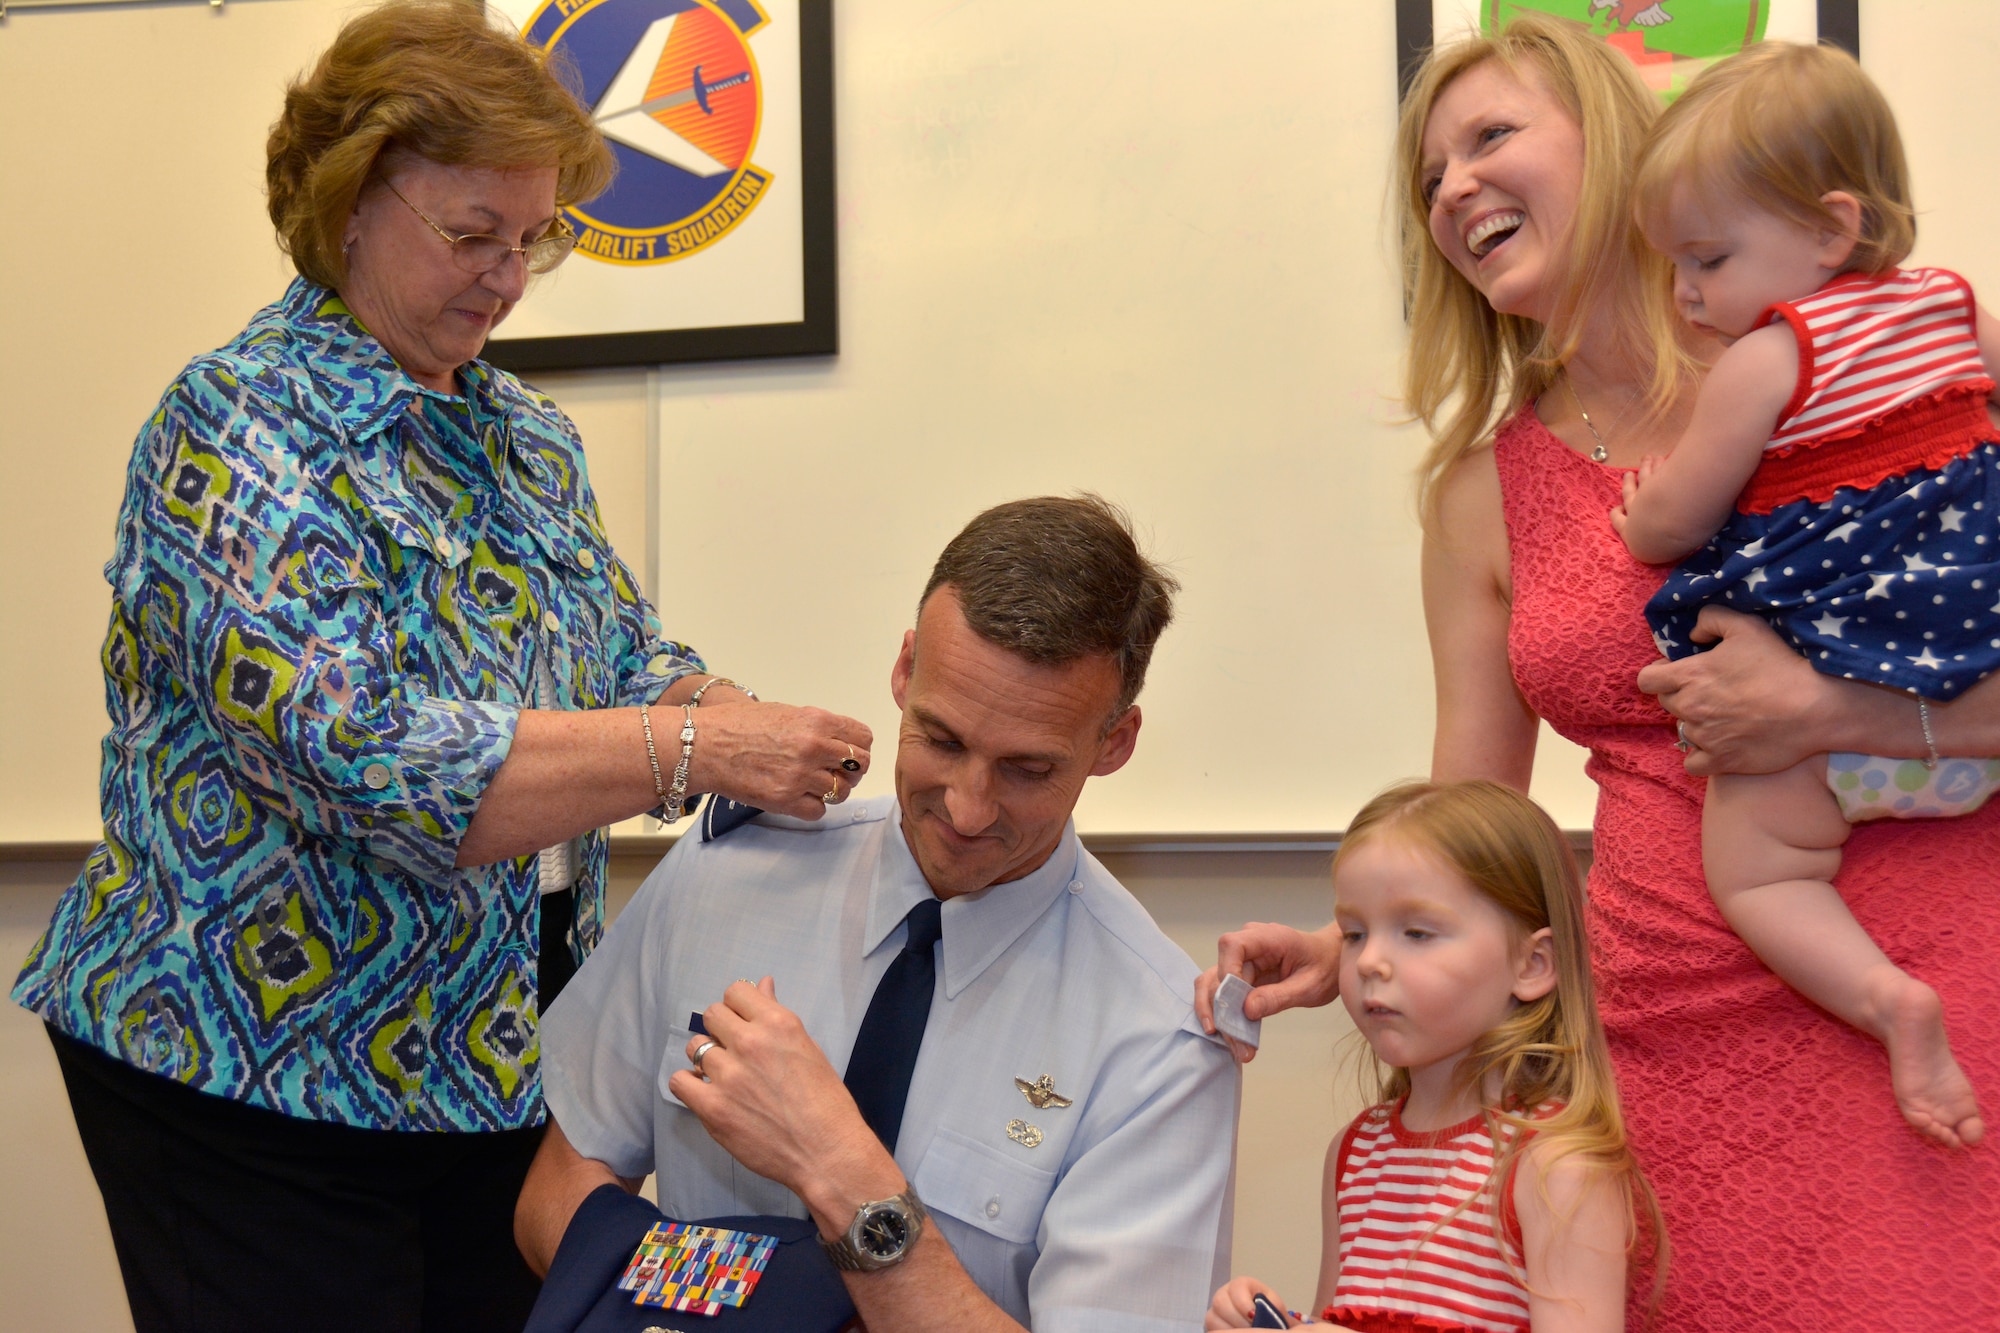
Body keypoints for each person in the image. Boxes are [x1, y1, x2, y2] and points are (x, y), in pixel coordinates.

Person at [10, 4, 869, 1330]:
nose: (509, 277)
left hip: (492, 1063)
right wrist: (694, 752)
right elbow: (375, 764)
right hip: (255, 1075)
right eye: (474, 235)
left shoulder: (526, 435)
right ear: (348, 205)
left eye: (535, 242)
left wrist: (724, 710)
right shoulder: (238, 425)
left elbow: (623, 656)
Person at [1196, 15, 2000, 1329]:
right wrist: (1347, 951)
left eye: (1492, 137)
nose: (1454, 188)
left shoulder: (1863, 359)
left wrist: (1829, 708)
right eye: (1428, 178)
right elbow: (1475, 833)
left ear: (1618, 142)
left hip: (1933, 980)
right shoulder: (1476, 493)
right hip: (1656, 1033)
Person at [516, 495, 1241, 1333]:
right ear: (904, 670)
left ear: (1114, 743)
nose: (968, 809)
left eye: (1027, 769)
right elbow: (557, 1189)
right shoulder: (729, 873)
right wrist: (750, 1300)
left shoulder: (1160, 1042)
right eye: (941, 739)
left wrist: (842, 1169)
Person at [1609, 42, 1997, 1149]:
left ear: (1829, 229)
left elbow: (1674, 521)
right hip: (1973, 682)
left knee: (1757, 868)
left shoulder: (1770, 361)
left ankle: (1887, 1001)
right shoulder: (1954, 312)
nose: (1685, 293)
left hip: (1827, 721)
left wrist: (1635, 512)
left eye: (1705, 259)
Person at [1206, 781, 1661, 1333]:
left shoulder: (1557, 1169)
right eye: (1353, 934)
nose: (1370, 960)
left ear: (1533, 964)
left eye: (1417, 933)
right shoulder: (1355, 1153)